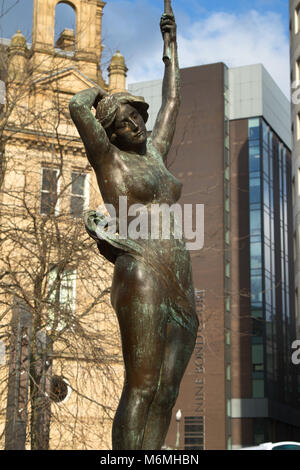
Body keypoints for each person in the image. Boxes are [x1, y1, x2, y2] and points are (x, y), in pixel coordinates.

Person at [69, 11, 199, 451]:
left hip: (179, 275)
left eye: (135, 116)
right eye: (123, 123)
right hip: (140, 271)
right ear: (111, 134)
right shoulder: (110, 163)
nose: (135, 125)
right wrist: (106, 93)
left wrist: (171, 49)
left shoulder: (156, 153)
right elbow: (76, 106)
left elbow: (173, 101)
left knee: (168, 389)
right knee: (142, 385)